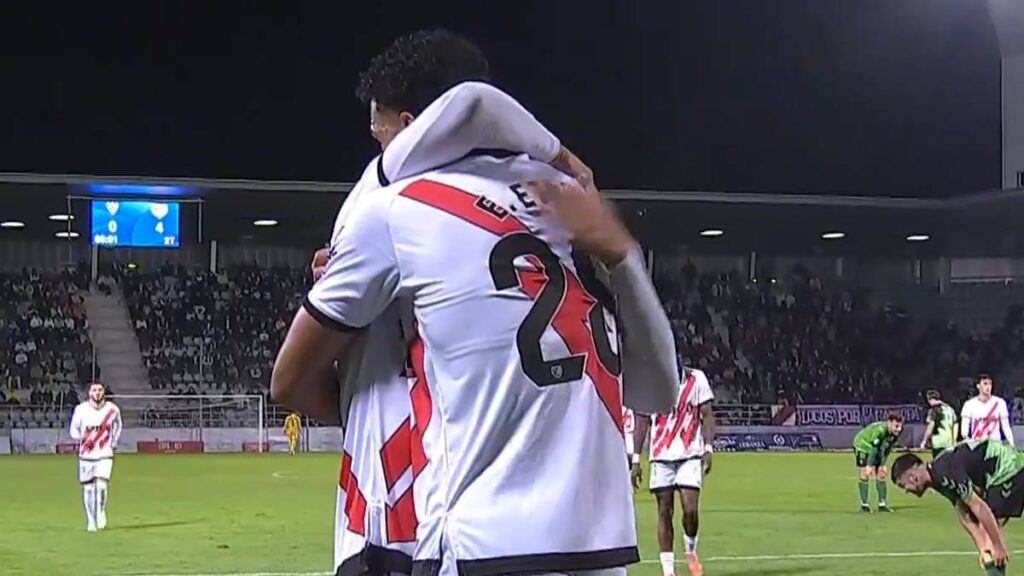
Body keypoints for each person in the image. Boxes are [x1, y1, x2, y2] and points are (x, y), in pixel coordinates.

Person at [272, 137, 679, 574]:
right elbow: (659, 393)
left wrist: (351, 288)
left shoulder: (407, 210)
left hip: (483, 543)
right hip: (593, 546)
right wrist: (622, 252)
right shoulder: (572, 245)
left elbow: (288, 381)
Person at [306, 29, 609, 576]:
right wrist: (564, 159)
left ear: (409, 127)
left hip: (416, 499)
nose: (377, 142)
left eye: (380, 129)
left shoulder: (383, 201)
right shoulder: (544, 193)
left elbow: (291, 379)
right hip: (577, 520)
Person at [892, 439, 1024, 574]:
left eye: (904, 485)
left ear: (913, 477)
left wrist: (997, 546)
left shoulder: (943, 471)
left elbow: (978, 506)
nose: (906, 490)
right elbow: (962, 508)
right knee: (987, 546)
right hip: (995, 475)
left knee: (991, 540)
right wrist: (981, 546)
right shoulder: (936, 477)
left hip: (1010, 467)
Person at [632, 368, 716, 576]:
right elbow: (642, 422)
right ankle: (668, 571)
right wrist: (636, 459)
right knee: (664, 511)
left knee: (690, 510)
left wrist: (708, 447)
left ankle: (690, 550)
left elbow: (706, 415)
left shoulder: (696, 379)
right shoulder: (650, 382)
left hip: (690, 454)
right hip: (661, 455)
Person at [69, 382, 122, 532]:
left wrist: (114, 441)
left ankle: (100, 512)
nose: (97, 393)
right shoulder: (81, 409)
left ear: (104, 392)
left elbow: (118, 425)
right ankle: (90, 520)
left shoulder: (112, 409)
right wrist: (80, 438)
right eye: (94, 390)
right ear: (89, 393)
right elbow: (73, 428)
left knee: (102, 486)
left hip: (105, 453)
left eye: (100, 390)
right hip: (86, 454)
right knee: (89, 489)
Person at [852, 414, 903, 512]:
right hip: (862, 445)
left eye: (900, 426)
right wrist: (869, 465)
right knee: (864, 473)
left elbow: (887, 449)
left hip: (876, 449)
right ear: (889, 423)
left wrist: (882, 464)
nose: (899, 429)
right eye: (896, 426)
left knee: (881, 473)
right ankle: (864, 505)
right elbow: (873, 448)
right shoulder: (879, 431)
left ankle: (882, 504)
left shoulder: (895, 433)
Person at [962, 374, 1015, 446]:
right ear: (978, 386)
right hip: (977, 446)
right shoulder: (969, 405)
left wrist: (1011, 445)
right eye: (985, 384)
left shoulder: (1000, 403)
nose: (988, 387)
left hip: (995, 446)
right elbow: (964, 430)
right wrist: (968, 443)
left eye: (990, 384)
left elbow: (1006, 427)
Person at [920, 389, 958, 457]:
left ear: (930, 399)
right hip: (949, 443)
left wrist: (924, 440)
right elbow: (955, 425)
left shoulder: (933, 410)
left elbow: (931, 425)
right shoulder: (950, 409)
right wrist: (954, 440)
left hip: (938, 443)